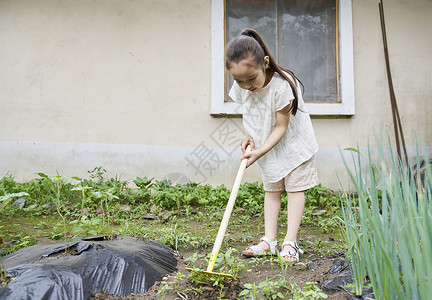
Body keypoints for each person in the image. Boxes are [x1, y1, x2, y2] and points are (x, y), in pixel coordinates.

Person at [225, 28, 318, 262]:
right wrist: (248, 134)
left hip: (294, 146)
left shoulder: (282, 86)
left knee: (295, 189)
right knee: (272, 189)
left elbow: (281, 127)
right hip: (266, 144)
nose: (247, 86)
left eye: (250, 79)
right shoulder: (243, 85)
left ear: (265, 63)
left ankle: (290, 242)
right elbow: (250, 111)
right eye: (239, 81)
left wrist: (259, 152)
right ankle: (269, 241)